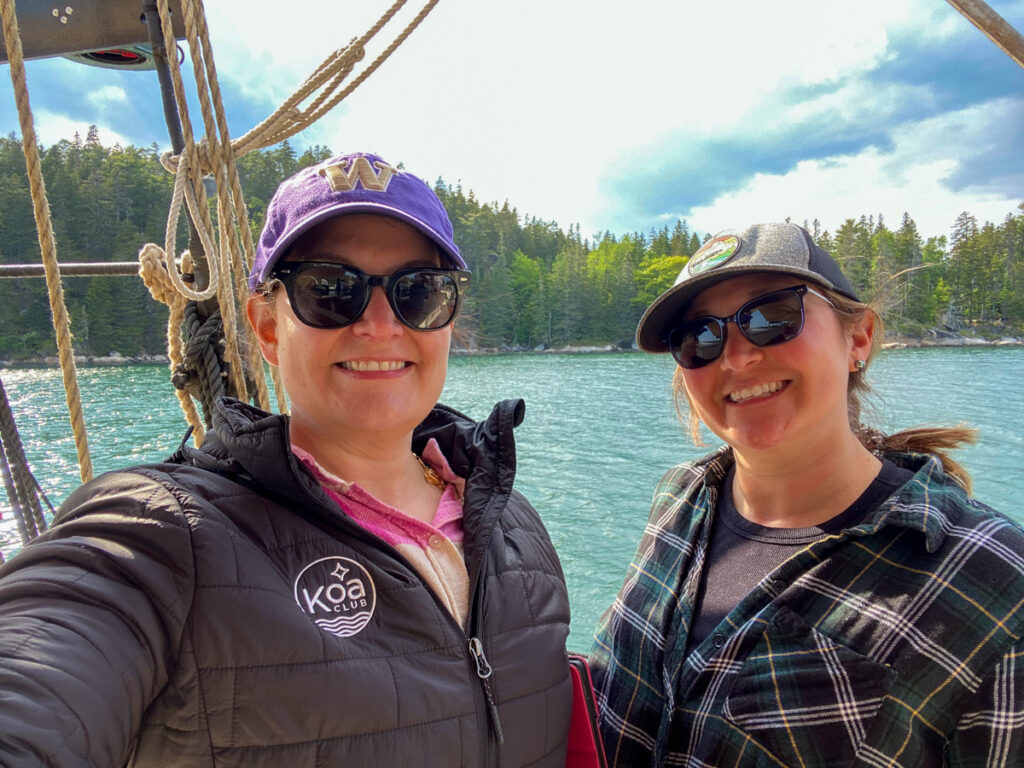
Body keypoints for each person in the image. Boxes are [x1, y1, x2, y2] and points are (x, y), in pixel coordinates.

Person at [0, 152, 573, 766]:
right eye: (330, 290)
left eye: (417, 292)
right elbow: (50, 653)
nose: (380, 326)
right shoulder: (169, 535)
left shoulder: (516, 528)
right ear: (268, 328)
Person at [590, 221, 1024, 767]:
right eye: (699, 338)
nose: (737, 357)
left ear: (858, 338)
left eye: (772, 317)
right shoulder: (681, 498)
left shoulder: (997, 587)